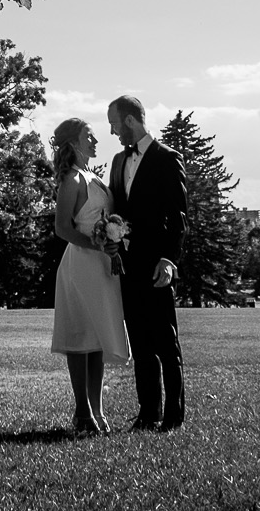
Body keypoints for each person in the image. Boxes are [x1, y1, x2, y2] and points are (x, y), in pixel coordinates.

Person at [108, 94, 186, 430]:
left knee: (166, 343)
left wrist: (169, 259)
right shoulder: (116, 161)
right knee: (140, 342)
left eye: (114, 124)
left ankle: (173, 416)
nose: (112, 132)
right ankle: (148, 412)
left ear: (129, 120)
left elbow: (179, 217)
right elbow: (118, 212)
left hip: (157, 266)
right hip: (128, 265)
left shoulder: (168, 158)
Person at [49, 117, 129, 434]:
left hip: (102, 264)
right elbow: (62, 227)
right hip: (81, 263)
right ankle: (83, 413)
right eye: (90, 136)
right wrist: (96, 245)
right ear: (74, 142)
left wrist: (111, 241)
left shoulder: (91, 176)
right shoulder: (71, 179)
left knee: (95, 339)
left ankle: (97, 410)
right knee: (80, 336)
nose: (96, 141)